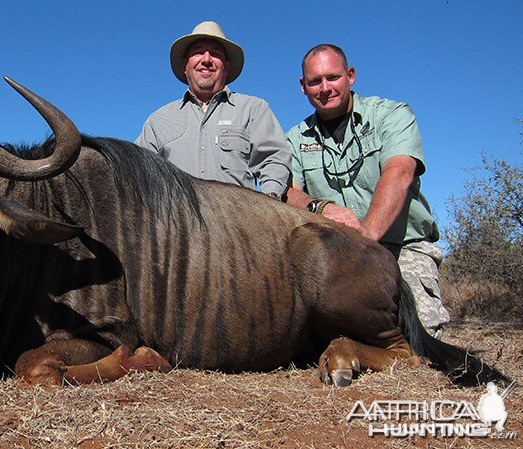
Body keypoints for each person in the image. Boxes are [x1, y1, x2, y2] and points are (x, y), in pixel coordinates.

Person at [284, 44, 450, 337]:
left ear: (350, 76)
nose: (324, 88)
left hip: (401, 247)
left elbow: (400, 171)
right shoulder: (295, 138)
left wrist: (367, 236)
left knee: (420, 335)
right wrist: (322, 208)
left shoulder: (391, 115)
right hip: (338, 254)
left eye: (333, 77)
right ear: (303, 87)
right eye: (314, 81)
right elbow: (289, 192)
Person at [136, 21, 291, 199]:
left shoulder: (254, 109)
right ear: (185, 66)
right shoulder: (158, 121)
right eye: (198, 52)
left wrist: (269, 201)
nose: (206, 59)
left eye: (215, 53)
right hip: (176, 224)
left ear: (227, 66)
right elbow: (135, 172)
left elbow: (274, 160)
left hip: (238, 223)